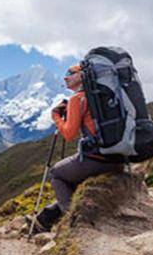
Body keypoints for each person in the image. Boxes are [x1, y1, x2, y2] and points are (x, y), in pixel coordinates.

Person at [27, 64, 125, 234]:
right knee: (72, 177)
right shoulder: (107, 95)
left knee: (57, 174)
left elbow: (69, 134)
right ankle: (45, 218)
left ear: (83, 76)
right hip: (119, 159)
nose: (66, 77)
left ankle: (73, 222)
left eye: (70, 73)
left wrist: (56, 117)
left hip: (97, 160)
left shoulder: (77, 99)